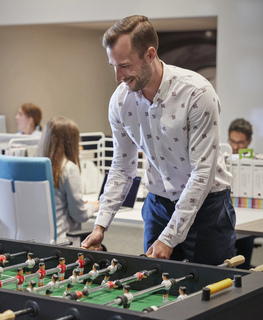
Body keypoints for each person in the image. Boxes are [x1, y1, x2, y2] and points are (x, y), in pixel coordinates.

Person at [81, 15, 236, 266]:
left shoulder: (197, 93)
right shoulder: (120, 101)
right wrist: (101, 224)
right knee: (155, 292)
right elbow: (122, 167)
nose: (118, 76)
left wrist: (170, 237)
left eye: (125, 65)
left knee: (211, 294)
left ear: (150, 55)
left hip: (208, 206)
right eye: (113, 66)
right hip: (158, 204)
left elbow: (202, 172)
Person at [37, 116, 99, 244]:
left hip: (35, 241)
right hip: (62, 243)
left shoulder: (35, 166)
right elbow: (79, 215)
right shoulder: (68, 168)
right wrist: (93, 207)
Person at [229, 118, 255, 269]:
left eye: (240, 143)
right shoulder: (221, 158)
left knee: (247, 235)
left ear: (249, 141)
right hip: (227, 210)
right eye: (232, 141)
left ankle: (244, 271)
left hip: (247, 212)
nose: (235, 147)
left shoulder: (255, 164)